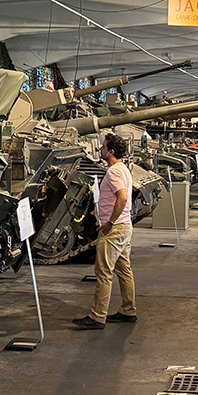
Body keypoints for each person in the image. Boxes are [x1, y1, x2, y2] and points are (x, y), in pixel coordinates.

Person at [72, 132, 137, 330]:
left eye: (103, 147)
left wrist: (109, 221)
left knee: (103, 272)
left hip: (114, 229)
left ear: (111, 151)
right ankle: (128, 309)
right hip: (125, 226)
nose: (100, 149)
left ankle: (97, 316)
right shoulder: (123, 168)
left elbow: (123, 197)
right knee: (124, 270)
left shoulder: (114, 172)